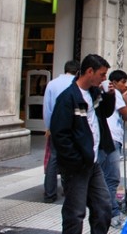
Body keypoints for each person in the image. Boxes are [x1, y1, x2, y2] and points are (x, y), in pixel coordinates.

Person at [50, 54, 116, 234]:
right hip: (77, 165)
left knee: (103, 206)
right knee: (75, 212)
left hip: (92, 163)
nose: (104, 78)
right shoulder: (67, 98)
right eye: (102, 74)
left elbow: (105, 113)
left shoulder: (94, 93)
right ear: (89, 71)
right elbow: (60, 134)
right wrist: (75, 159)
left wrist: (109, 95)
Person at [43, 60, 80, 203]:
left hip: (56, 126)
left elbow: (47, 108)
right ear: (78, 71)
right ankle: (68, 189)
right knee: (70, 158)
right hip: (73, 127)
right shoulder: (77, 84)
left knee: (53, 159)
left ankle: (49, 193)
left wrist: (49, 127)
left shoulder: (52, 84)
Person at [100, 69, 127, 228]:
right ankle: (112, 213)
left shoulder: (106, 90)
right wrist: (125, 97)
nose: (125, 85)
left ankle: (107, 210)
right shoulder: (115, 93)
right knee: (112, 178)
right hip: (112, 137)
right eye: (123, 82)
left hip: (106, 137)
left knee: (105, 177)